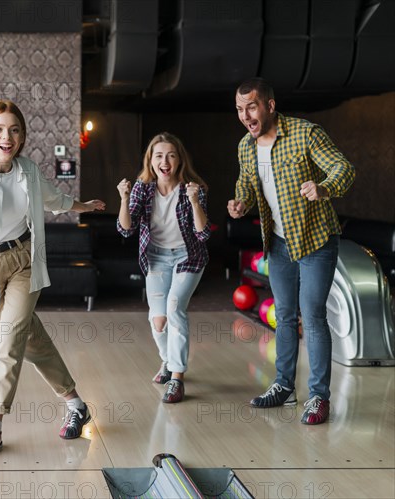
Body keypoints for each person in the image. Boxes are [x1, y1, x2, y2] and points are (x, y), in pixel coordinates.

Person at [0, 99, 106, 459]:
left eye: (14, 129)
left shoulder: (29, 170)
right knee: (29, 339)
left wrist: (82, 206)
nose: (6, 137)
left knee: (9, 341)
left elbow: (54, 199)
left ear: (22, 136)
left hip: (25, 261)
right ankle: (75, 404)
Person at [228, 77, 355, 425]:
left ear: (269, 106)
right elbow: (247, 183)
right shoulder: (246, 146)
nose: (245, 115)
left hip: (315, 238)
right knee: (284, 315)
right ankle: (284, 387)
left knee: (311, 315)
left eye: (251, 107)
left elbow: (344, 169)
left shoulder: (305, 134)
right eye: (240, 109)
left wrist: (325, 188)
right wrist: (241, 201)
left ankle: (318, 397)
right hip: (279, 242)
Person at [117, 132, 211, 404]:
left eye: (171, 155)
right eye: (159, 155)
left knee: (174, 307)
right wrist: (123, 199)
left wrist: (194, 202)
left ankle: (177, 378)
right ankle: (167, 361)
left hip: (188, 258)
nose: (165, 160)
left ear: (179, 159)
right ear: (151, 160)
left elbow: (203, 234)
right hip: (156, 258)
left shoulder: (193, 189)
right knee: (158, 321)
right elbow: (126, 229)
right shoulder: (142, 189)